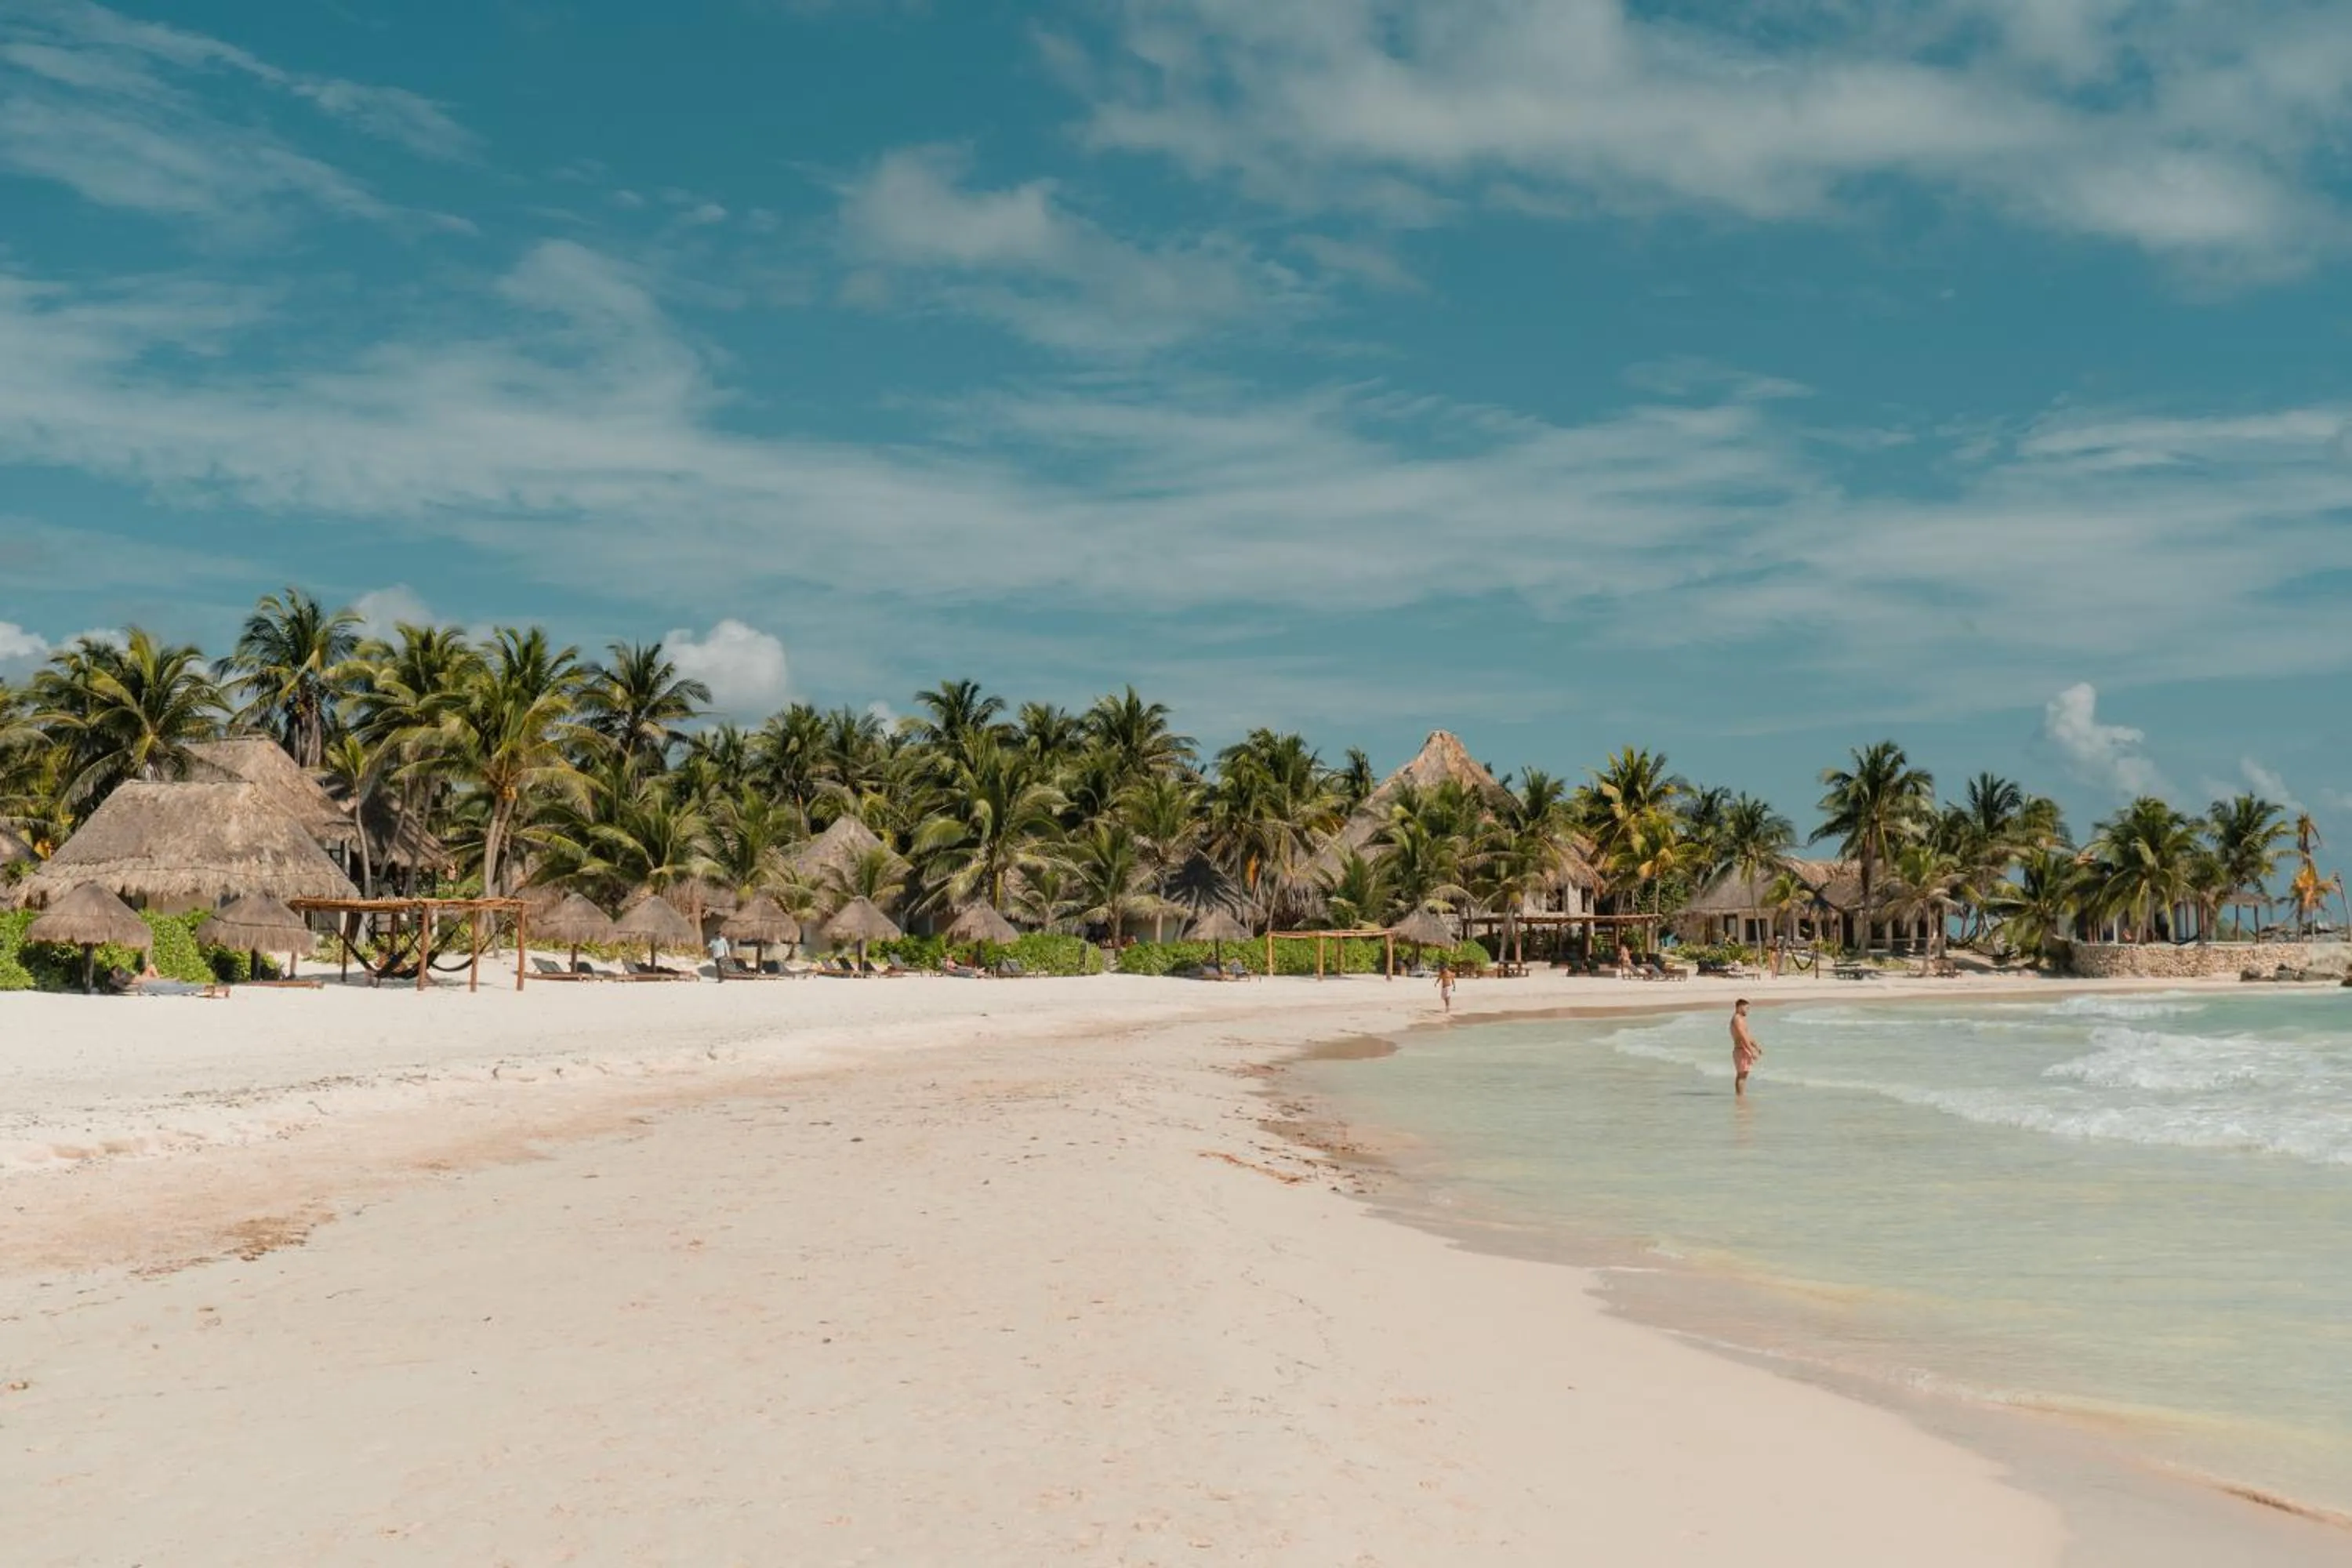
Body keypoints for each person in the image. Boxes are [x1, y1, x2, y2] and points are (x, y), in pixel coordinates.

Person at [1730, 999, 1763, 1097]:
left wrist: (1756, 1046)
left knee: (1743, 1075)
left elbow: (1747, 1035)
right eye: (1746, 1008)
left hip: (1742, 1049)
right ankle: (1740, 1096)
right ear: (1740, 1007)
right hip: (1741, 1049)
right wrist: (1751, 1050)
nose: (1747, 1011)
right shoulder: (1738, 1019)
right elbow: (1743, 1036)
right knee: (1742, 1075)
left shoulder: (1740, 1019)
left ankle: (1740, 1095)